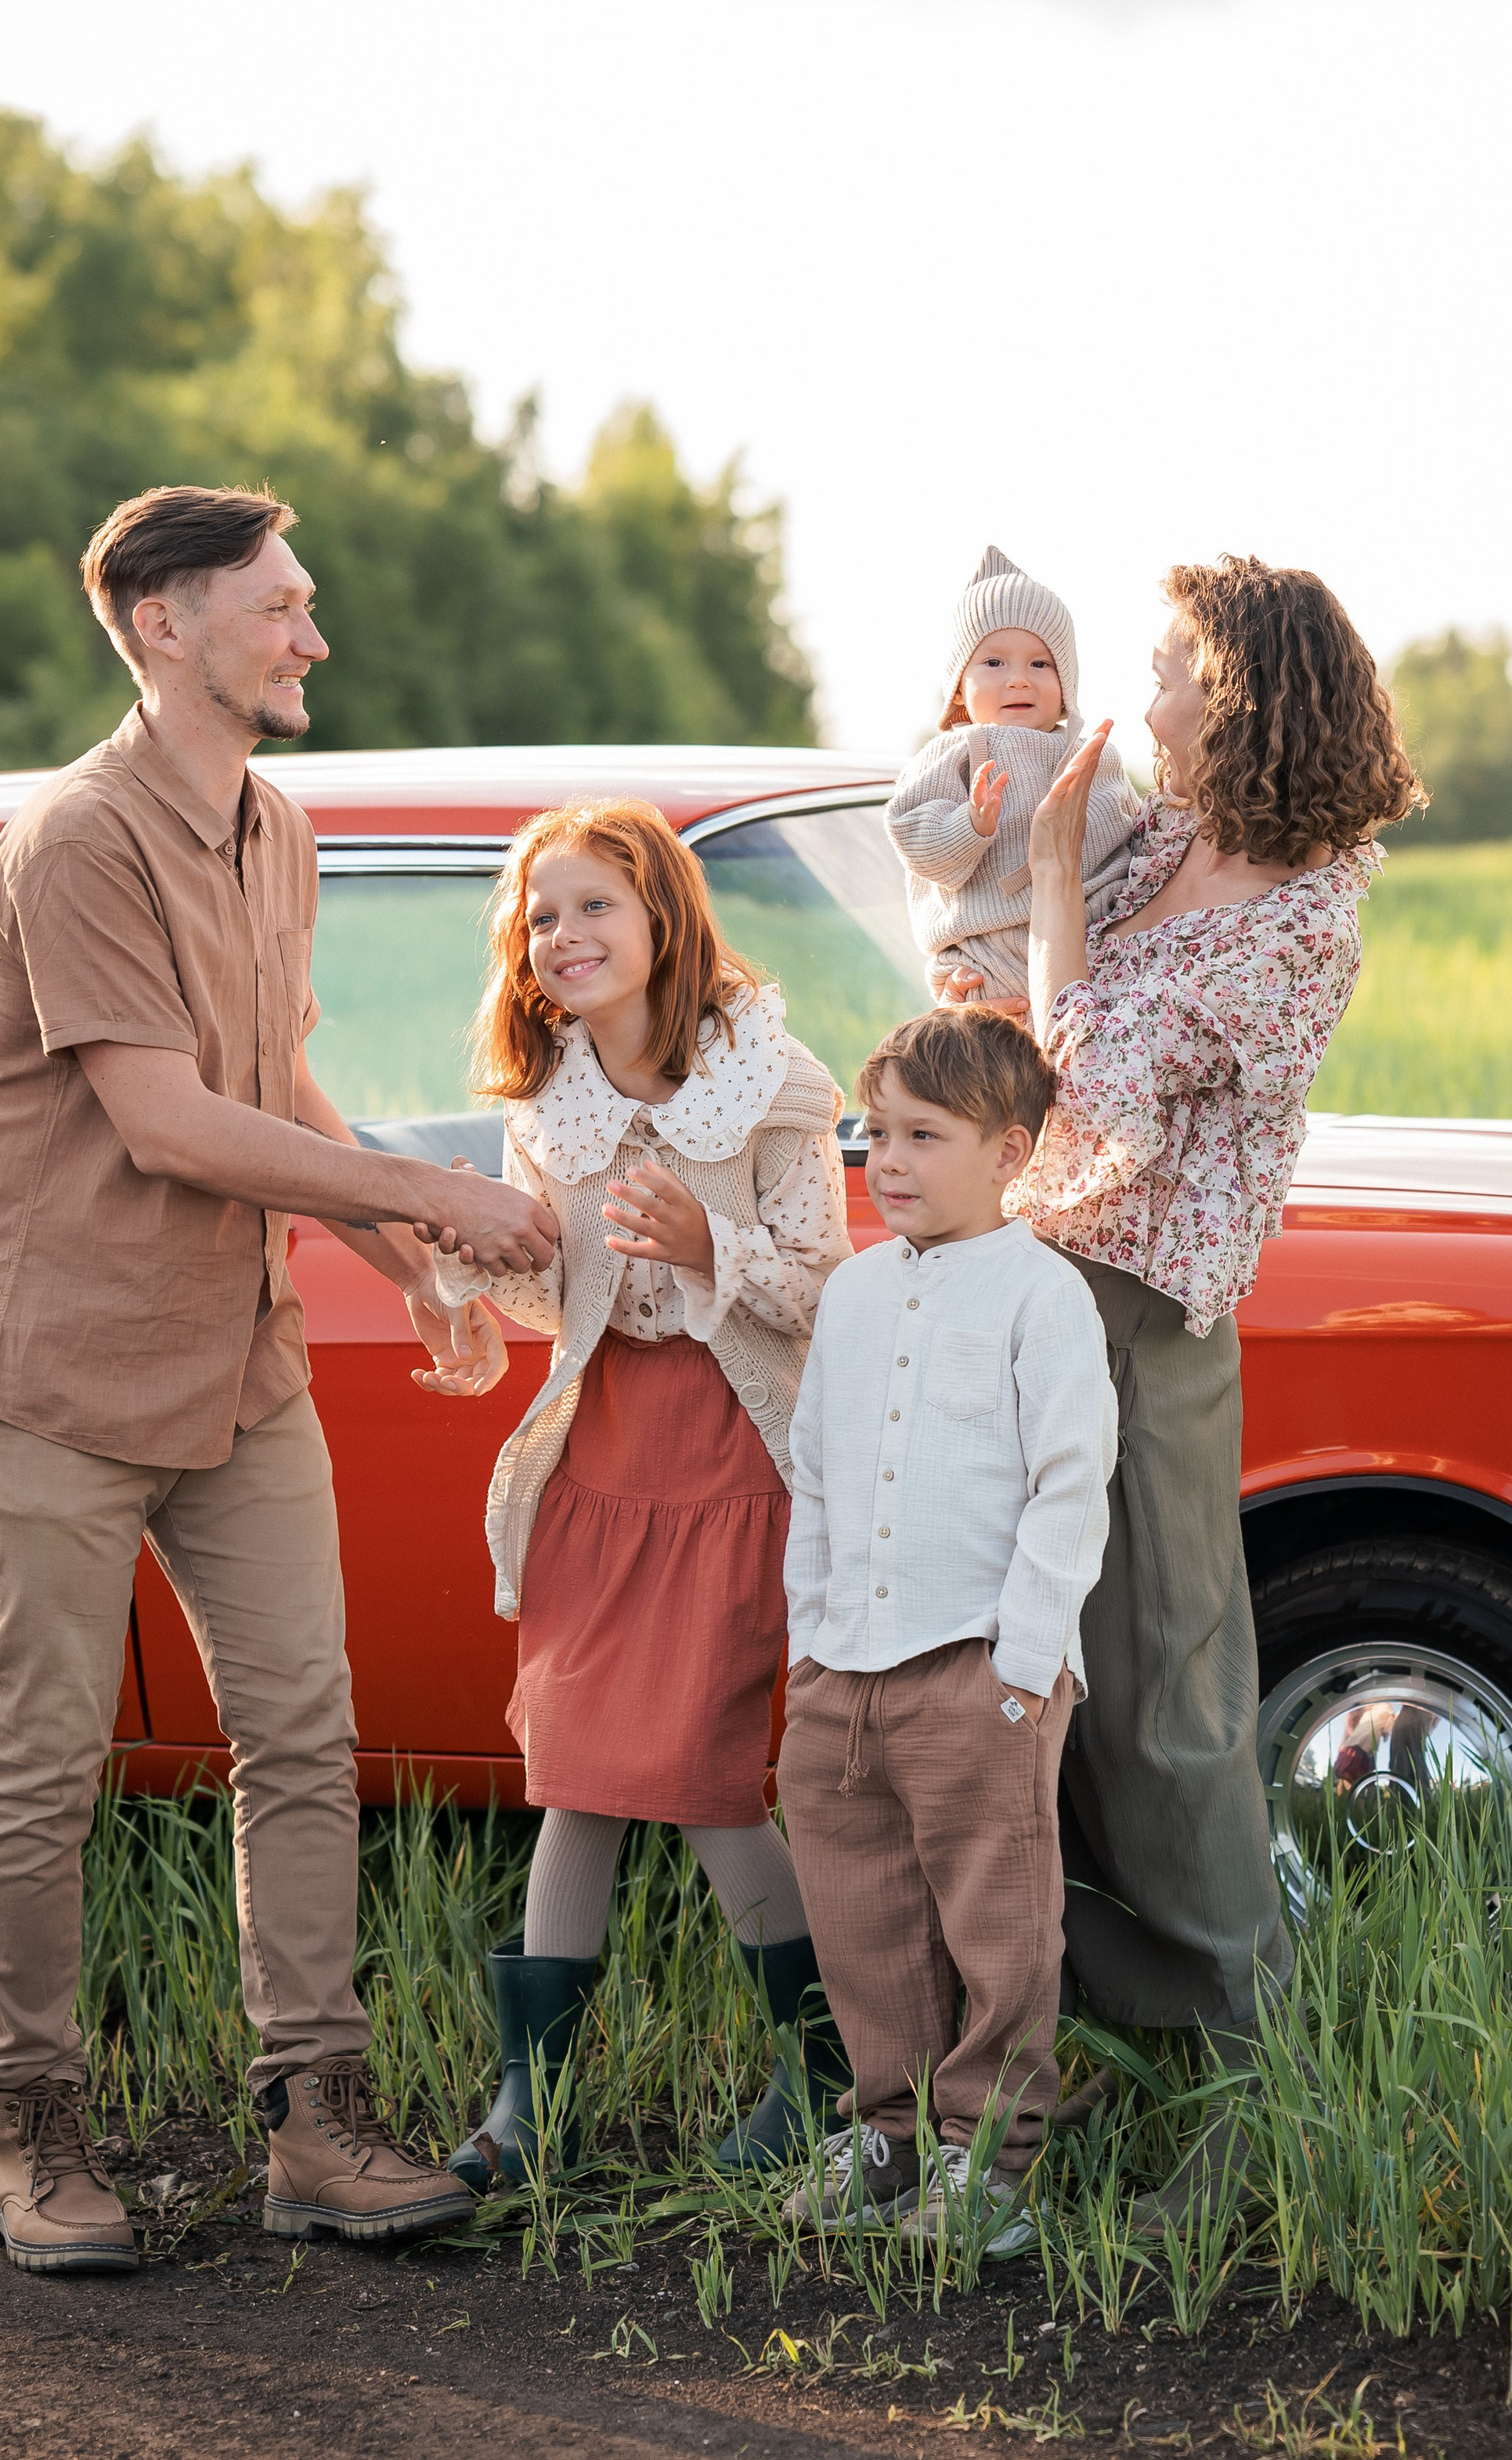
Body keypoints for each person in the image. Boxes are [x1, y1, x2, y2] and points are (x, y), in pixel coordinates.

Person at [0, 481, 560, 2275]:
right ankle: (34, 2133)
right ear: (163, 625)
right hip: (53, 1361)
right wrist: (433, 1188)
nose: (312, 634)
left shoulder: (273, 823)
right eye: (280, 605)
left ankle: (315, 2122)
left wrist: (400, 1261)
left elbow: (273, 1068)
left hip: (238, 1361)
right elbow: (161, 1115)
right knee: (48, 1753)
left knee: (301, 1728)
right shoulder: (72, 839)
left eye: (303, 601)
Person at [1004, 551, 1424, 2227]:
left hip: (1148, 1316)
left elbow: (1073, 1071)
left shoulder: (1306, 910)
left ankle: (1256, 2086)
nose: (1145, 690)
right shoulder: (1173, 840)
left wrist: (1043, 887)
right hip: (1028, 1288)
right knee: (1039, 1691)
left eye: (1172, 666)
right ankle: (1099, 2044)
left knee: (1166, 1692)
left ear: (1239, 691)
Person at [413, 799, 855, 2191]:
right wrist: (477, 1279)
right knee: (579, 1779)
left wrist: (704, 1237)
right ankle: (525, 2105)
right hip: (602, 1454)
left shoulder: (777, 1088)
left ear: (664, 919)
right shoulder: (548, 1103)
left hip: (730, 1453)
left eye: (595, 904)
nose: (566, 935)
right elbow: (566, 1291)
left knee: (709, 1776)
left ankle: (825, 2075)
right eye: (542, 916)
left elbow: (823, 1284)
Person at [774, 1009, 1115, 2250]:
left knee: (997, 1919)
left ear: (1009, 1149)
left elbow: (1070, 1486)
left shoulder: (1044, 1295)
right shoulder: (856, 1293)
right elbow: (816, 1471)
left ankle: (990, 2158)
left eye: (925, 1132)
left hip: (980, 1669)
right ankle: (891, 2129)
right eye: (877, 1132)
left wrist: (1022, 1667)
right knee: (860, 1907)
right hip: (843, 1670)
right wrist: (810, 1641)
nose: (888, 1159)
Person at [885, 544, 1138, 1012]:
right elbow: (913, 838)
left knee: (1072, 1070)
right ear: (961, 684)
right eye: (994, 663)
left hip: (1082, 949)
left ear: (1067, 683)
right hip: (986, 955)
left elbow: (1125, 844)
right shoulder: (949, 754)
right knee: (994, 1073)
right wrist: (971, 823)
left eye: (1040, 664)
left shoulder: (1091, 755)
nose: (1019, 679)